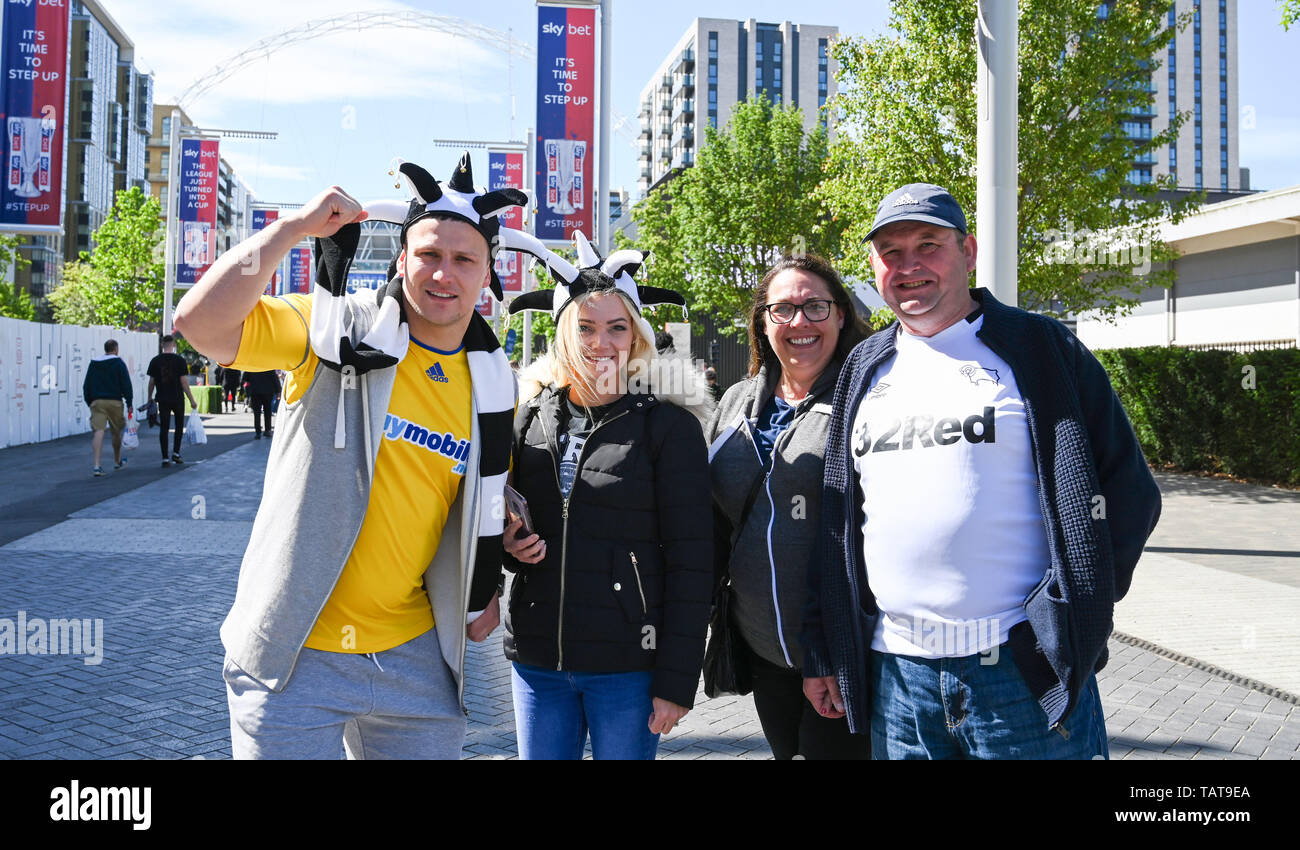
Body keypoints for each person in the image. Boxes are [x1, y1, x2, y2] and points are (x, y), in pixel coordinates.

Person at [173, 153, 540, 759]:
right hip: (294, 654)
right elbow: (200, 323)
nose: (443, 274)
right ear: (402, 259)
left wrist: (496, 539)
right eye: (428, 254)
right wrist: (291, 229)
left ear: (486, 274)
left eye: (463, 259)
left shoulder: (492, 380)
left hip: (415, 655)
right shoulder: (335, 328)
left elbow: (465, 488)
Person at [802, 184, 1161, 759]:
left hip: (1020, 671)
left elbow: (1130, 494)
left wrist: (1076, 607)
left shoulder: (1041, 349)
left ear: (968, 251)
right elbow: (836, 522)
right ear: (873, 265)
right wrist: (824, 647)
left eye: (928, 244)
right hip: (898, 676)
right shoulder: (862, 367)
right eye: (891, 252)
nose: (909, 266)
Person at [502, 233, 714, 760]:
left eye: (617, 328)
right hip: (537, 660)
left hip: (628, 666)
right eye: (586, 328)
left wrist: (676, 679)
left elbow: (693, 559)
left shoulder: (668, 426)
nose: (602, 343)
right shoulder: (529, 414)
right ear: (563, 336)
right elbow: (491, 514)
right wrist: (505, 544)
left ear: (637, 336)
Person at [706, 255, 871, 760]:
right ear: (762, 321)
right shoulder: (735, 402)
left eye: (815, 306)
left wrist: (835, 649)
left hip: (846, 649)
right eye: (783, 310)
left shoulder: (868, 396)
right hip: (762, 647)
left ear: (841, 314)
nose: (799, 322)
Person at [82, 339, 133, 477]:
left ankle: (97, 465)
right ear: (116, 349)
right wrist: (129, 403)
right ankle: (117, 461)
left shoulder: (94, 363)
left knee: (99, 431)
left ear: (105, 349)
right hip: (115, 401)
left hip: (97, 401)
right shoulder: (118, 362)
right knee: (116, 431)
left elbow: (86, 385)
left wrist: (90, 401)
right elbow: (126, 384)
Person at [146, 335, 198, 468]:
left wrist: (149, 398)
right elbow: (184, 382)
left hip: (162, 398)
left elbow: (151, 382)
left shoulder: (155, 361)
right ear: (173, 344)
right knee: (179, 426)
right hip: (177, 397)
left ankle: (165, 458)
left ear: (162, 345)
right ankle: (176, 452)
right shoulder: (180, 360)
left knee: (164, 427)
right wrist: (191, 399)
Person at [243, 369, 280, 438]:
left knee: (257, 413)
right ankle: (267, 430)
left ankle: (258, 432)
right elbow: (274, 378)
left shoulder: (251, 365)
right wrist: (278, 391)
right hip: (268, 391)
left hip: (255, 391)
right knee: (267, 411)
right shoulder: (268, 365)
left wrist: (248, 390)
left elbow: (245, 378)